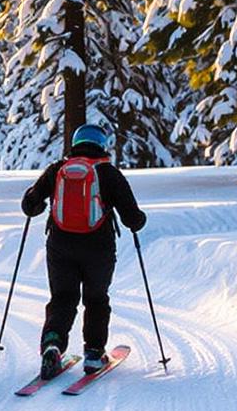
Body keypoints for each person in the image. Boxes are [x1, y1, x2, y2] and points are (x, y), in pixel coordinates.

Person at [18, 123, 148, 376]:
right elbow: (132, 218)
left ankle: (52, 345)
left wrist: (37, 204)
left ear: (75, 143)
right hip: (98, 248)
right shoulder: (108, 173)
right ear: (102, 145)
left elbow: (29, 205)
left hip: (59, 245)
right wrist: (138, 221)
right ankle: (94, 354)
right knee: (96, 299)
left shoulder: (57, 170)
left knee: (62, 298)